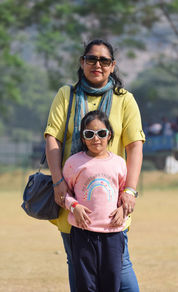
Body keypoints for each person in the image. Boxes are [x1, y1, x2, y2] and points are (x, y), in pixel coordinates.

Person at [44, 39, 145, 292]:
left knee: (121, 270)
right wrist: (58, 183)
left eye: (104, 60)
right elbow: (52, 138)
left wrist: (130, 191)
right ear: (82, 62)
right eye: (91, 59)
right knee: (79, 269)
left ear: (112, 66)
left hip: (111, 207)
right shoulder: (66, 95)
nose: (97, 64)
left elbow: (135, 146)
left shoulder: (125, 100)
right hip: (71, 200)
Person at [63, 110, 127, 292]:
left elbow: (124, 193)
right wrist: (73, 206)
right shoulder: (74, 163)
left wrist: (123, 210)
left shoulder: (119, 163)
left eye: (101, 133)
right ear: (83, 138)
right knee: (85, 284)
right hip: (83, 233)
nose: (96, 138)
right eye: (89, 134)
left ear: (109, 135)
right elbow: (63, 194)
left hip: (113, 233)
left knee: (111, 282)